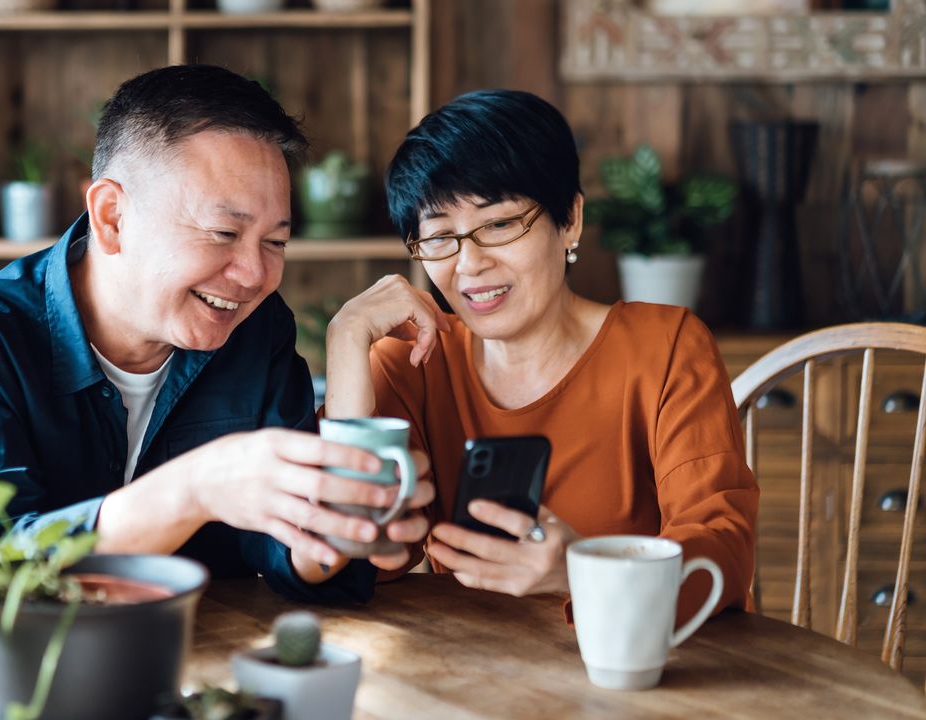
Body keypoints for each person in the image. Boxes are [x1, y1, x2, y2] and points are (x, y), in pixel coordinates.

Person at [0, 65, 432, 602]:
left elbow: (293, 555)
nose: (254, 276)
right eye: (224, 232)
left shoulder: (255, 329)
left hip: (196, 665)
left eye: (275, 242)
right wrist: (195, 488)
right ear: (112, 218)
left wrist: (343, 524)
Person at [323, 89, 758, 621]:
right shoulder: (412, 363)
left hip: (633, 674)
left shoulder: (665, 348)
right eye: (439, 237)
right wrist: (345, 341)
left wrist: (582, 568)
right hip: (471, 677)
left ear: (569, 220)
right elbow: (347, 564)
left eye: (500, 224)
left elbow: (724, 554)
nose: (470, 264)